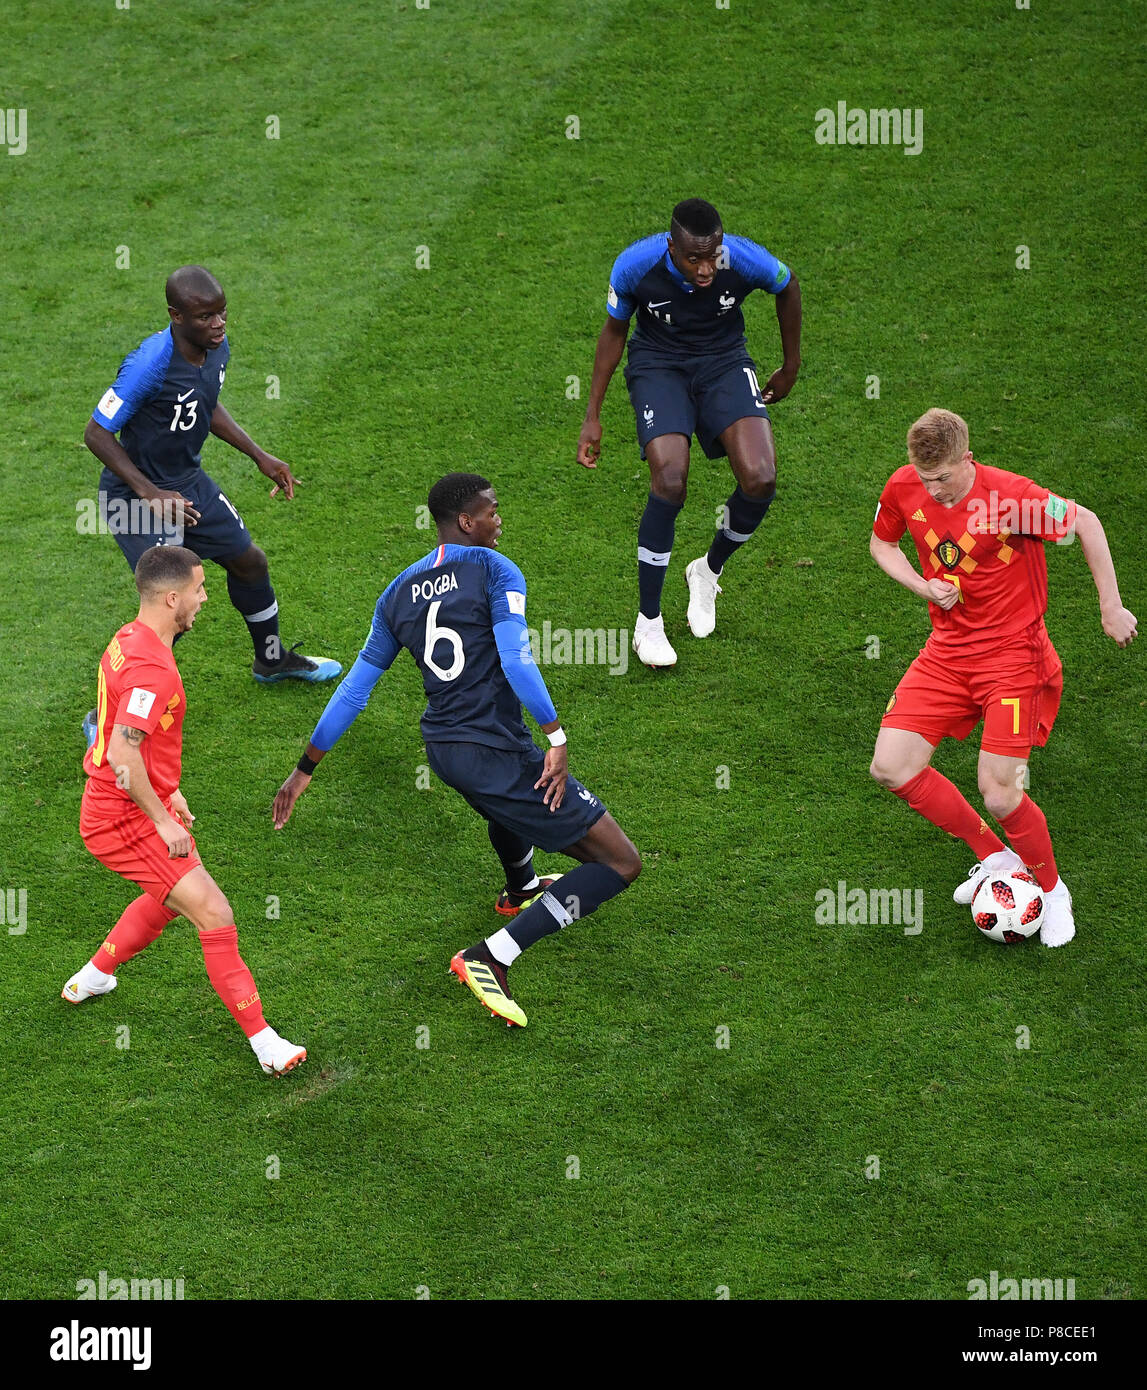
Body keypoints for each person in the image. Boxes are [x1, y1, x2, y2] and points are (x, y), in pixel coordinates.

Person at [272, 473, 641, 1027]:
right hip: (490, 747)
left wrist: (303, 771)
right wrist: (557, 736)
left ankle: (520, 888)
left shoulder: (396, 593)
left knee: (505, 800)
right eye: (491, 511)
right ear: (466, 521)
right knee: (619, 861)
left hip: (446, 749)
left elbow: (353, 691)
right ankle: (492, 955)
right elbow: (516, 660)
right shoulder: (496, 570)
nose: (499, 520)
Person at [869, 408, 1137, 946]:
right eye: (926, 479)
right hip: (946, 653)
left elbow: (1086, 522)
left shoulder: (1012, 498)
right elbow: (882, 545)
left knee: (999, 792)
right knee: (891, 767)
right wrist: (923, 587)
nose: (935, 490)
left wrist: (1111, 605)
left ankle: (1052, 889)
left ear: (967, 459)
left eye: (944, 477)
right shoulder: (905, 485)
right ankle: (996, 855)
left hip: (1014, 659)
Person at [63, 545, 306, 1076]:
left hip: (124, 799)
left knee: (171, 896)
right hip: (120, 816)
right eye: (198, 589)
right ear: (172, 597)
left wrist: (168, 789)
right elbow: (124, 752)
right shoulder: (153, 668)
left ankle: (98, 972)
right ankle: (265, 1043)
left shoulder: (129, 640)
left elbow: (124, 737)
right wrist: (161, 818)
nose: (204, 598)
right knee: (215, 912)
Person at [81, 264, 339, 745]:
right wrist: (149, 493)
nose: (218, 324)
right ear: (176, 316)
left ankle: (271, 659)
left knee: (249, 561)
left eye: (222, 313)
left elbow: (204, 403)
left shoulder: (216, 348)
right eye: (205, 317)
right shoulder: (150, 364)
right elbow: (96, 433)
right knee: (169, 605)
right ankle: (106, 716)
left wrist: (258, 454)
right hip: (134, 494)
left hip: (187, 484)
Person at [576, 198, 801, 666]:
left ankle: (707, 570)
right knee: (670, 480)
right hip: (659, 366)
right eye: (693, 257)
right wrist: (592, 414)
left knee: (761, 479)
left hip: (724, 362)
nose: (705, 268)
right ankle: (649, 624)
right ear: (670, 246)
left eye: (712, 255)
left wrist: (790, 365)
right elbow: (615, 332)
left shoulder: (741, 258)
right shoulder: (636, 265)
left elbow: (788, 284)